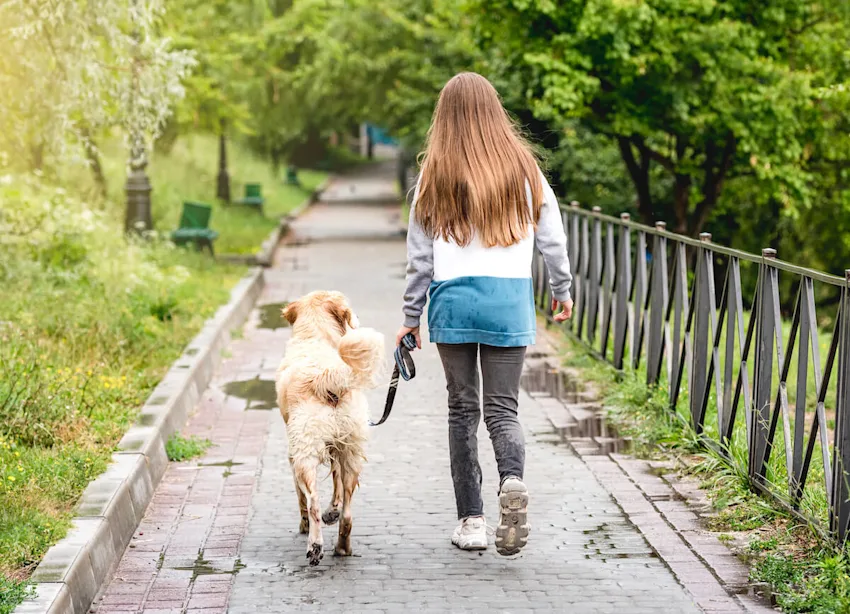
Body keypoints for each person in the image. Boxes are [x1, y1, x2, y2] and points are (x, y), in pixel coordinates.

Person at [396, 72, 573, 556]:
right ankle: (511, 481)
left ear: (444, 117)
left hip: (452, 301)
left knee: (462, 410)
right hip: (509, 301)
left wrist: (410, 318)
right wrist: (562, 289)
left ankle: (471, 520)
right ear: (496, 111)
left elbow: (420, 260)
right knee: (503, 408)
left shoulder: (433, 174)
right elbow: (553, 240)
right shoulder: (525, 169)